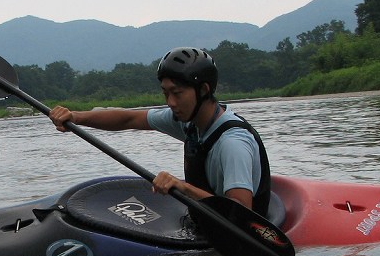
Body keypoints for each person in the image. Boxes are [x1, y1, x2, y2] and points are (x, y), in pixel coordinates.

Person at [48, 46, 272, 216]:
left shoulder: (232, 144)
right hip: (208, 218)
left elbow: (242, 212)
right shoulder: (187, 121)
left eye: (177, 93)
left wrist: (182, 187)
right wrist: (76, 117)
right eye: (165, 93)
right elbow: (129, 118)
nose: (171, 102)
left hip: (238, 231)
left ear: (204, 90)